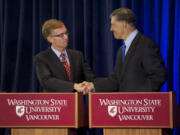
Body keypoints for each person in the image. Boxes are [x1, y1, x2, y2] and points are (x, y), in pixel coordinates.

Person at [83, 8, 167, 92]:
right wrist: (93, 86)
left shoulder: (146, 45)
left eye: (113, 25)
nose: (111, 29)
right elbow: (116, 80)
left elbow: (159, 75)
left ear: (124, 24)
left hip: (141, 103)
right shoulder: (121, 50)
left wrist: (139, 96)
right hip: (125, 103)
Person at [34, 19, 95, 93]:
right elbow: (47, 81)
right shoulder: (42, 58)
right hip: (55, 102)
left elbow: (90, 77)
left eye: (66, 33)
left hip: (76, 102)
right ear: (50, 39)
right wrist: (74, 86)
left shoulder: (77, 55)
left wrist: (89, 85)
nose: (66, 37)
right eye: (60, 35)